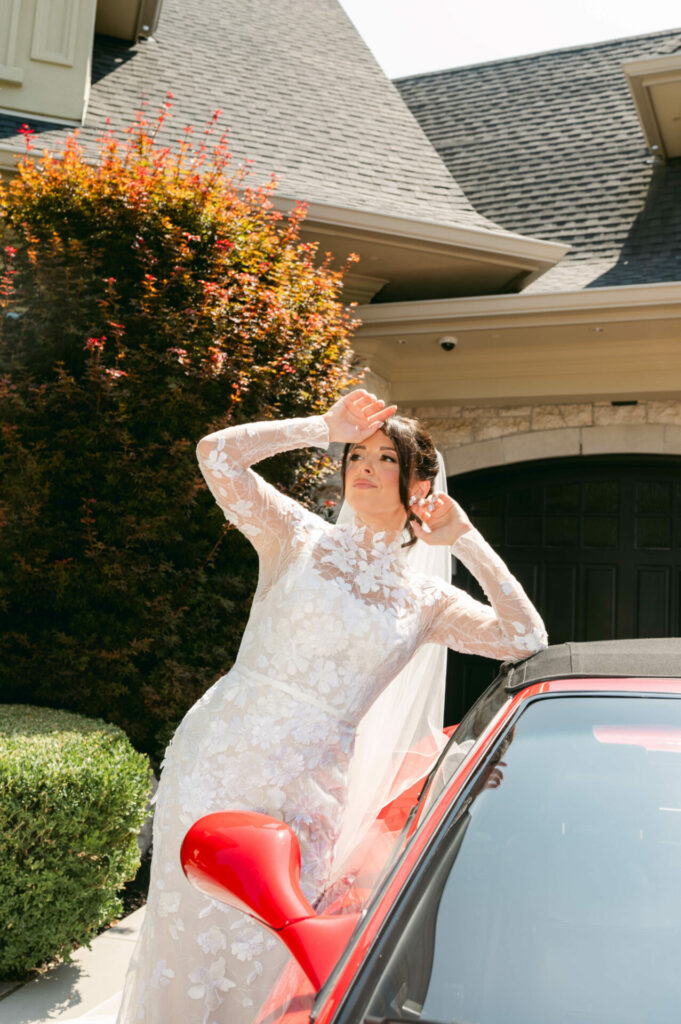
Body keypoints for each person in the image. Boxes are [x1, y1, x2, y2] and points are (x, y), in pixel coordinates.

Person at [115, 388, 547, 1024]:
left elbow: (525, 638)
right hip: (219, 760)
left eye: (385, 458)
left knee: (272, 947)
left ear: (421, 483)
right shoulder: (295, 537)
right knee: (189, 938)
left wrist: (465, 540)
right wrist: (322, 425)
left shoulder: (427, 602)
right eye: (356, 455)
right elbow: (217, 455)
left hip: (310, 789)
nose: (364, 465)